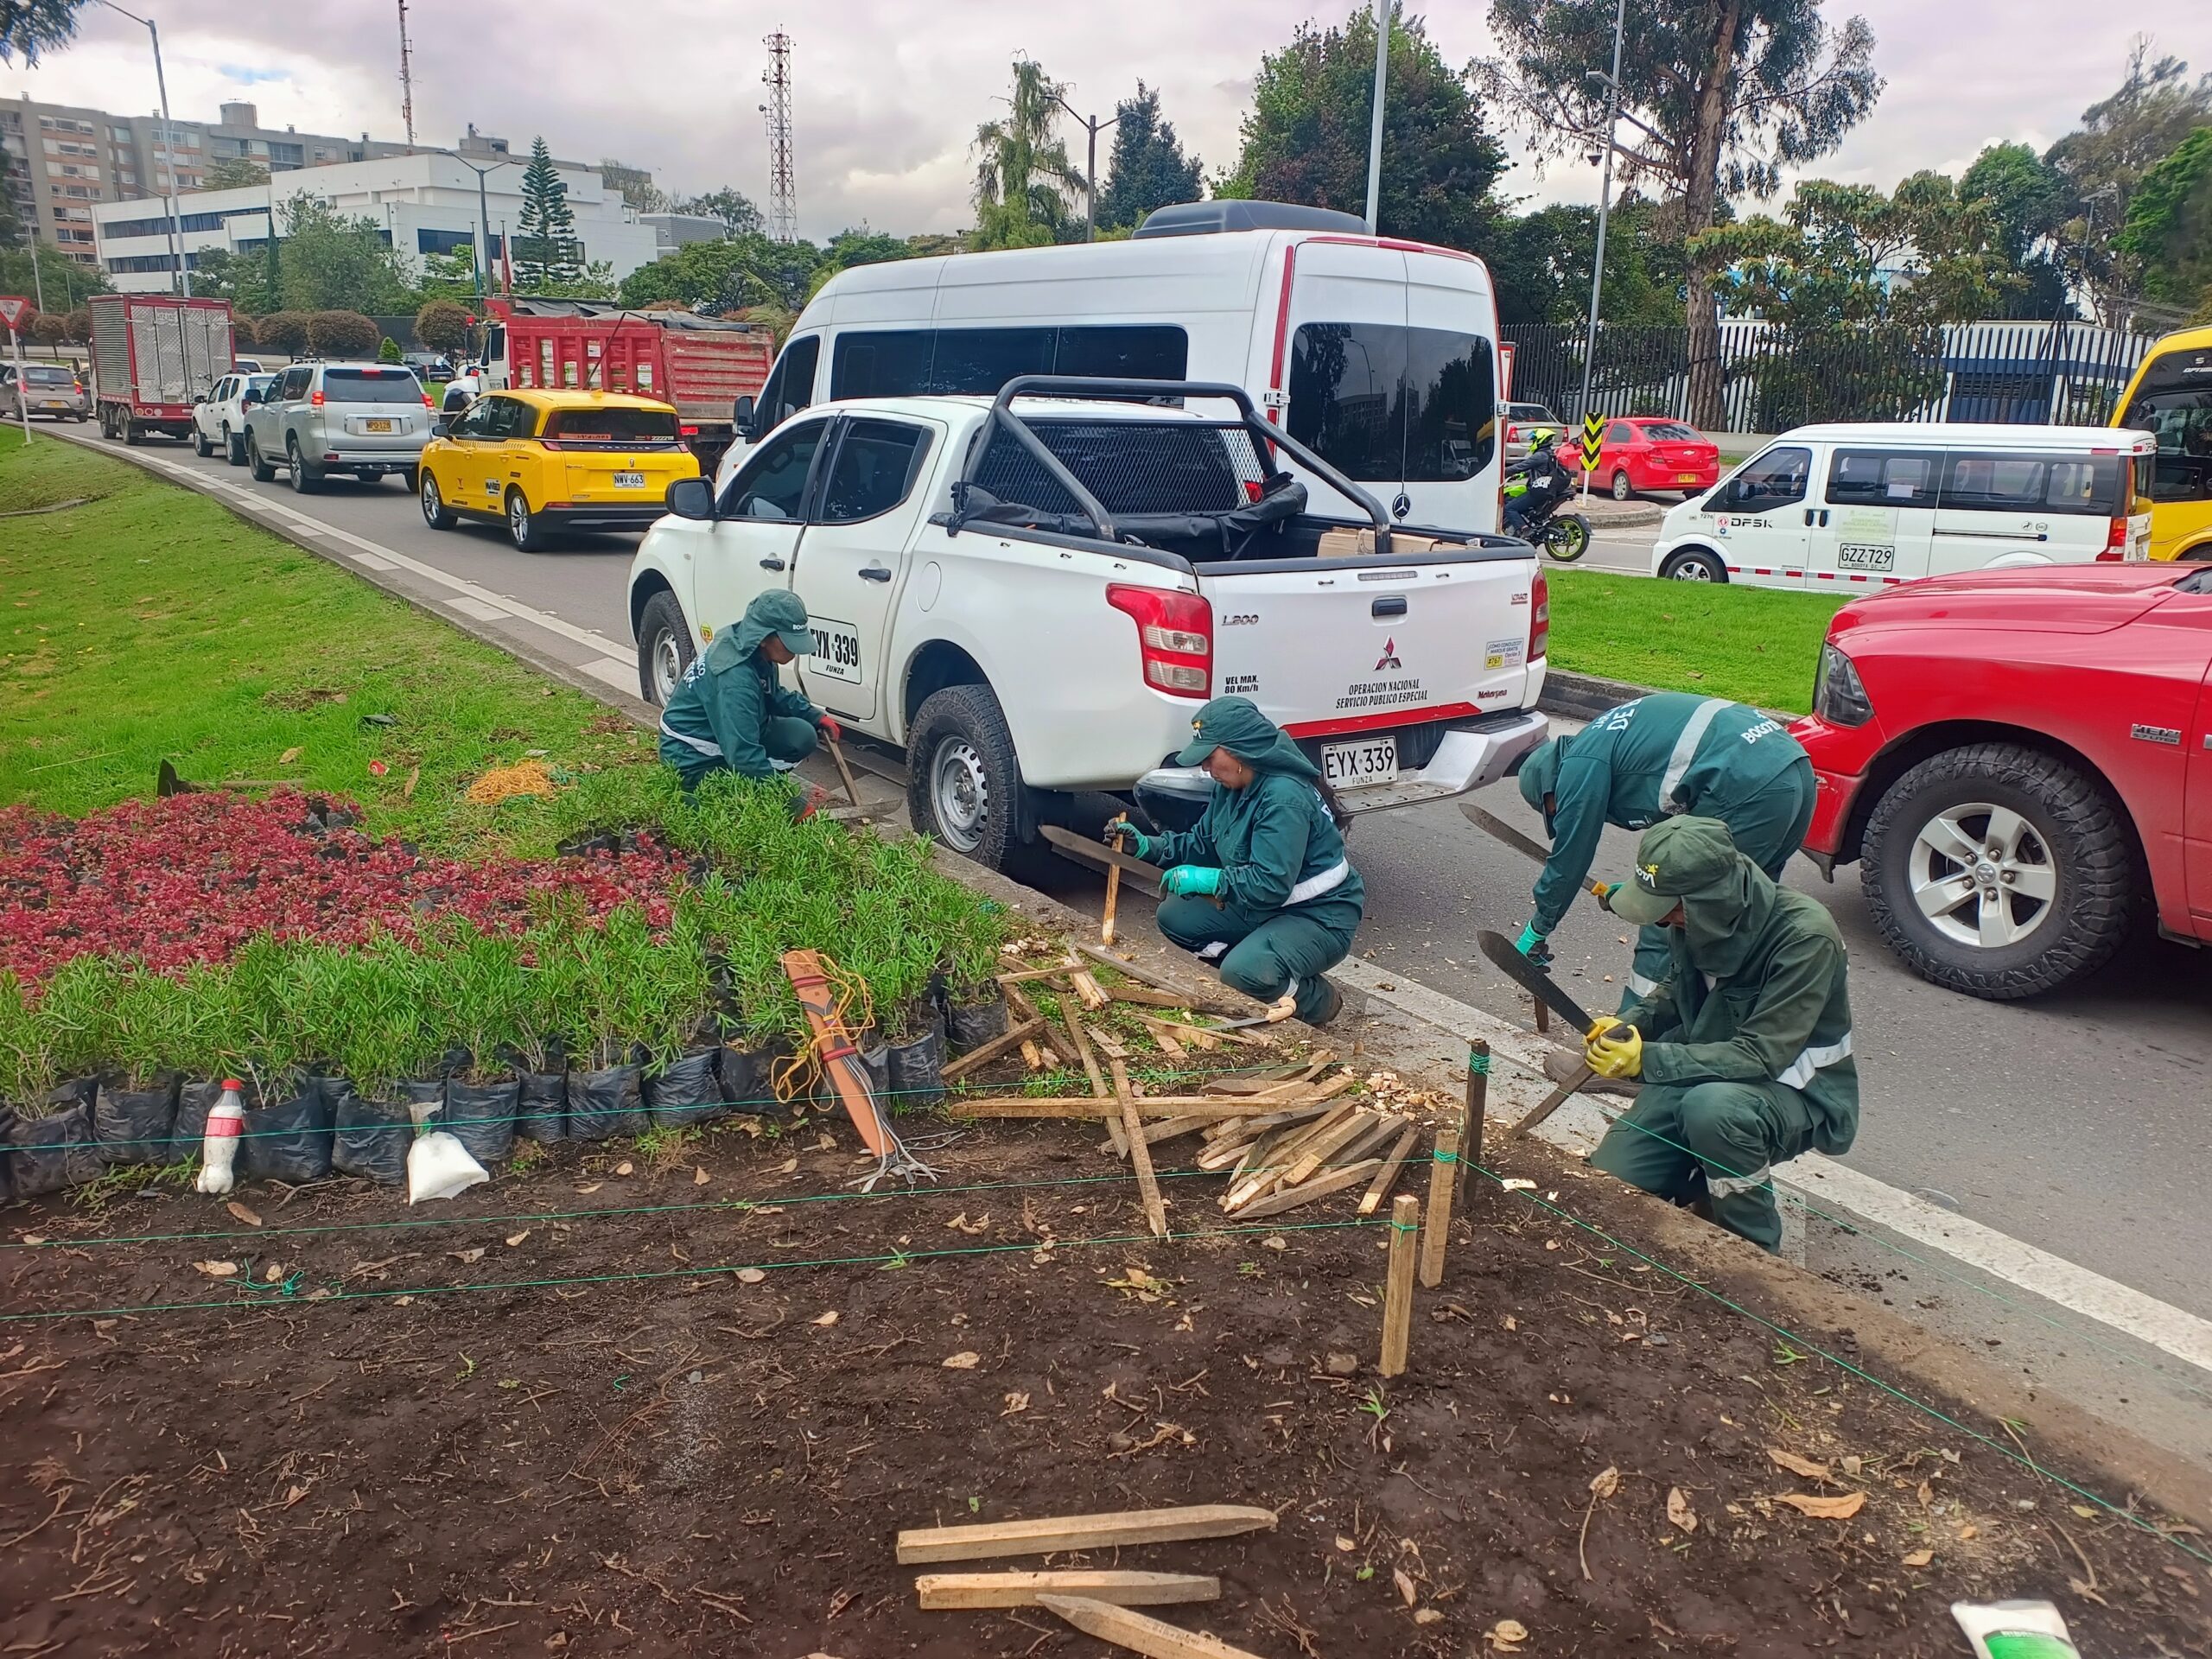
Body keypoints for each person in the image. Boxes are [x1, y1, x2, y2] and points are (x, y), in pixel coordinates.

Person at [1580, 816, 1858, 1253]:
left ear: (1710, 900)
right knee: (1612, 1181)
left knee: (1713, 1113)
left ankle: (1754, 1252)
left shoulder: (1805, 937)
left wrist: (1646, 1059)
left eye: (1670, 909)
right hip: (1705, 1072)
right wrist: (1630, 1024)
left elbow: (1761, 1055)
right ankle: (1701, 1175)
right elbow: (1677, 989)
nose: (1662, 920)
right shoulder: (1696, 922)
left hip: (1792, 1090)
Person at [1513, 692, 1815, 1011]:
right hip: (1791, 769)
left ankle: (1631, 1031)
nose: (1560, 815)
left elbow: (1570, 858)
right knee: (1742, 912)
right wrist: (1636, 893)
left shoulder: (1578, 766)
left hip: (1747, 786)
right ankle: (1727, 1024)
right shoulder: (1605, 739)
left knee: (1669, 917)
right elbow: (1673, 838)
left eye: (1553, 809)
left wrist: (1539, 927)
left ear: (1550, 786)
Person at [1105, 696, 1363, 1027]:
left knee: (1243, 971)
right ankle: (1261, 969)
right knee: (1176, 916)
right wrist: (1146, 847)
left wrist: (1210, 881)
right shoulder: (1232, 786)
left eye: (1210, 757)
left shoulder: (1283, 799)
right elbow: (1202, 841)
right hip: (1268, 906)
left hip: (1319, 915)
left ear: (1240, 751)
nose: (1205, 768)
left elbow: (1269, 885)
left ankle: (1317, 1001)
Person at [658, 589, 842, 790]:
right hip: (691, 756)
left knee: (801, 736)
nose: (795, 651)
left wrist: (815, 716)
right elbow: (743, 755)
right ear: (763, 637)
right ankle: (747, 786)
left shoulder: (751, 648)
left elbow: (773, 693)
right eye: (789, 643)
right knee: (730, 791)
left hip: (722, 734)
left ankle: (756, 782)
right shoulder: (735, 679)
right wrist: (788, 800)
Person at [1502, 429, 1568, 538]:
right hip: (1547, 490)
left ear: (1540, 440)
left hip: (1539, 492)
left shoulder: (1539, 456)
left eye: (1534, 440)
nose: (1532, 443)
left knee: (1509, 508)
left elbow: (1521, 466)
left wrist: (1502, 471)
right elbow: (1541, 470)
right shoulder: (1550, 454)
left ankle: (1524, 529)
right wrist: (1522, 475)